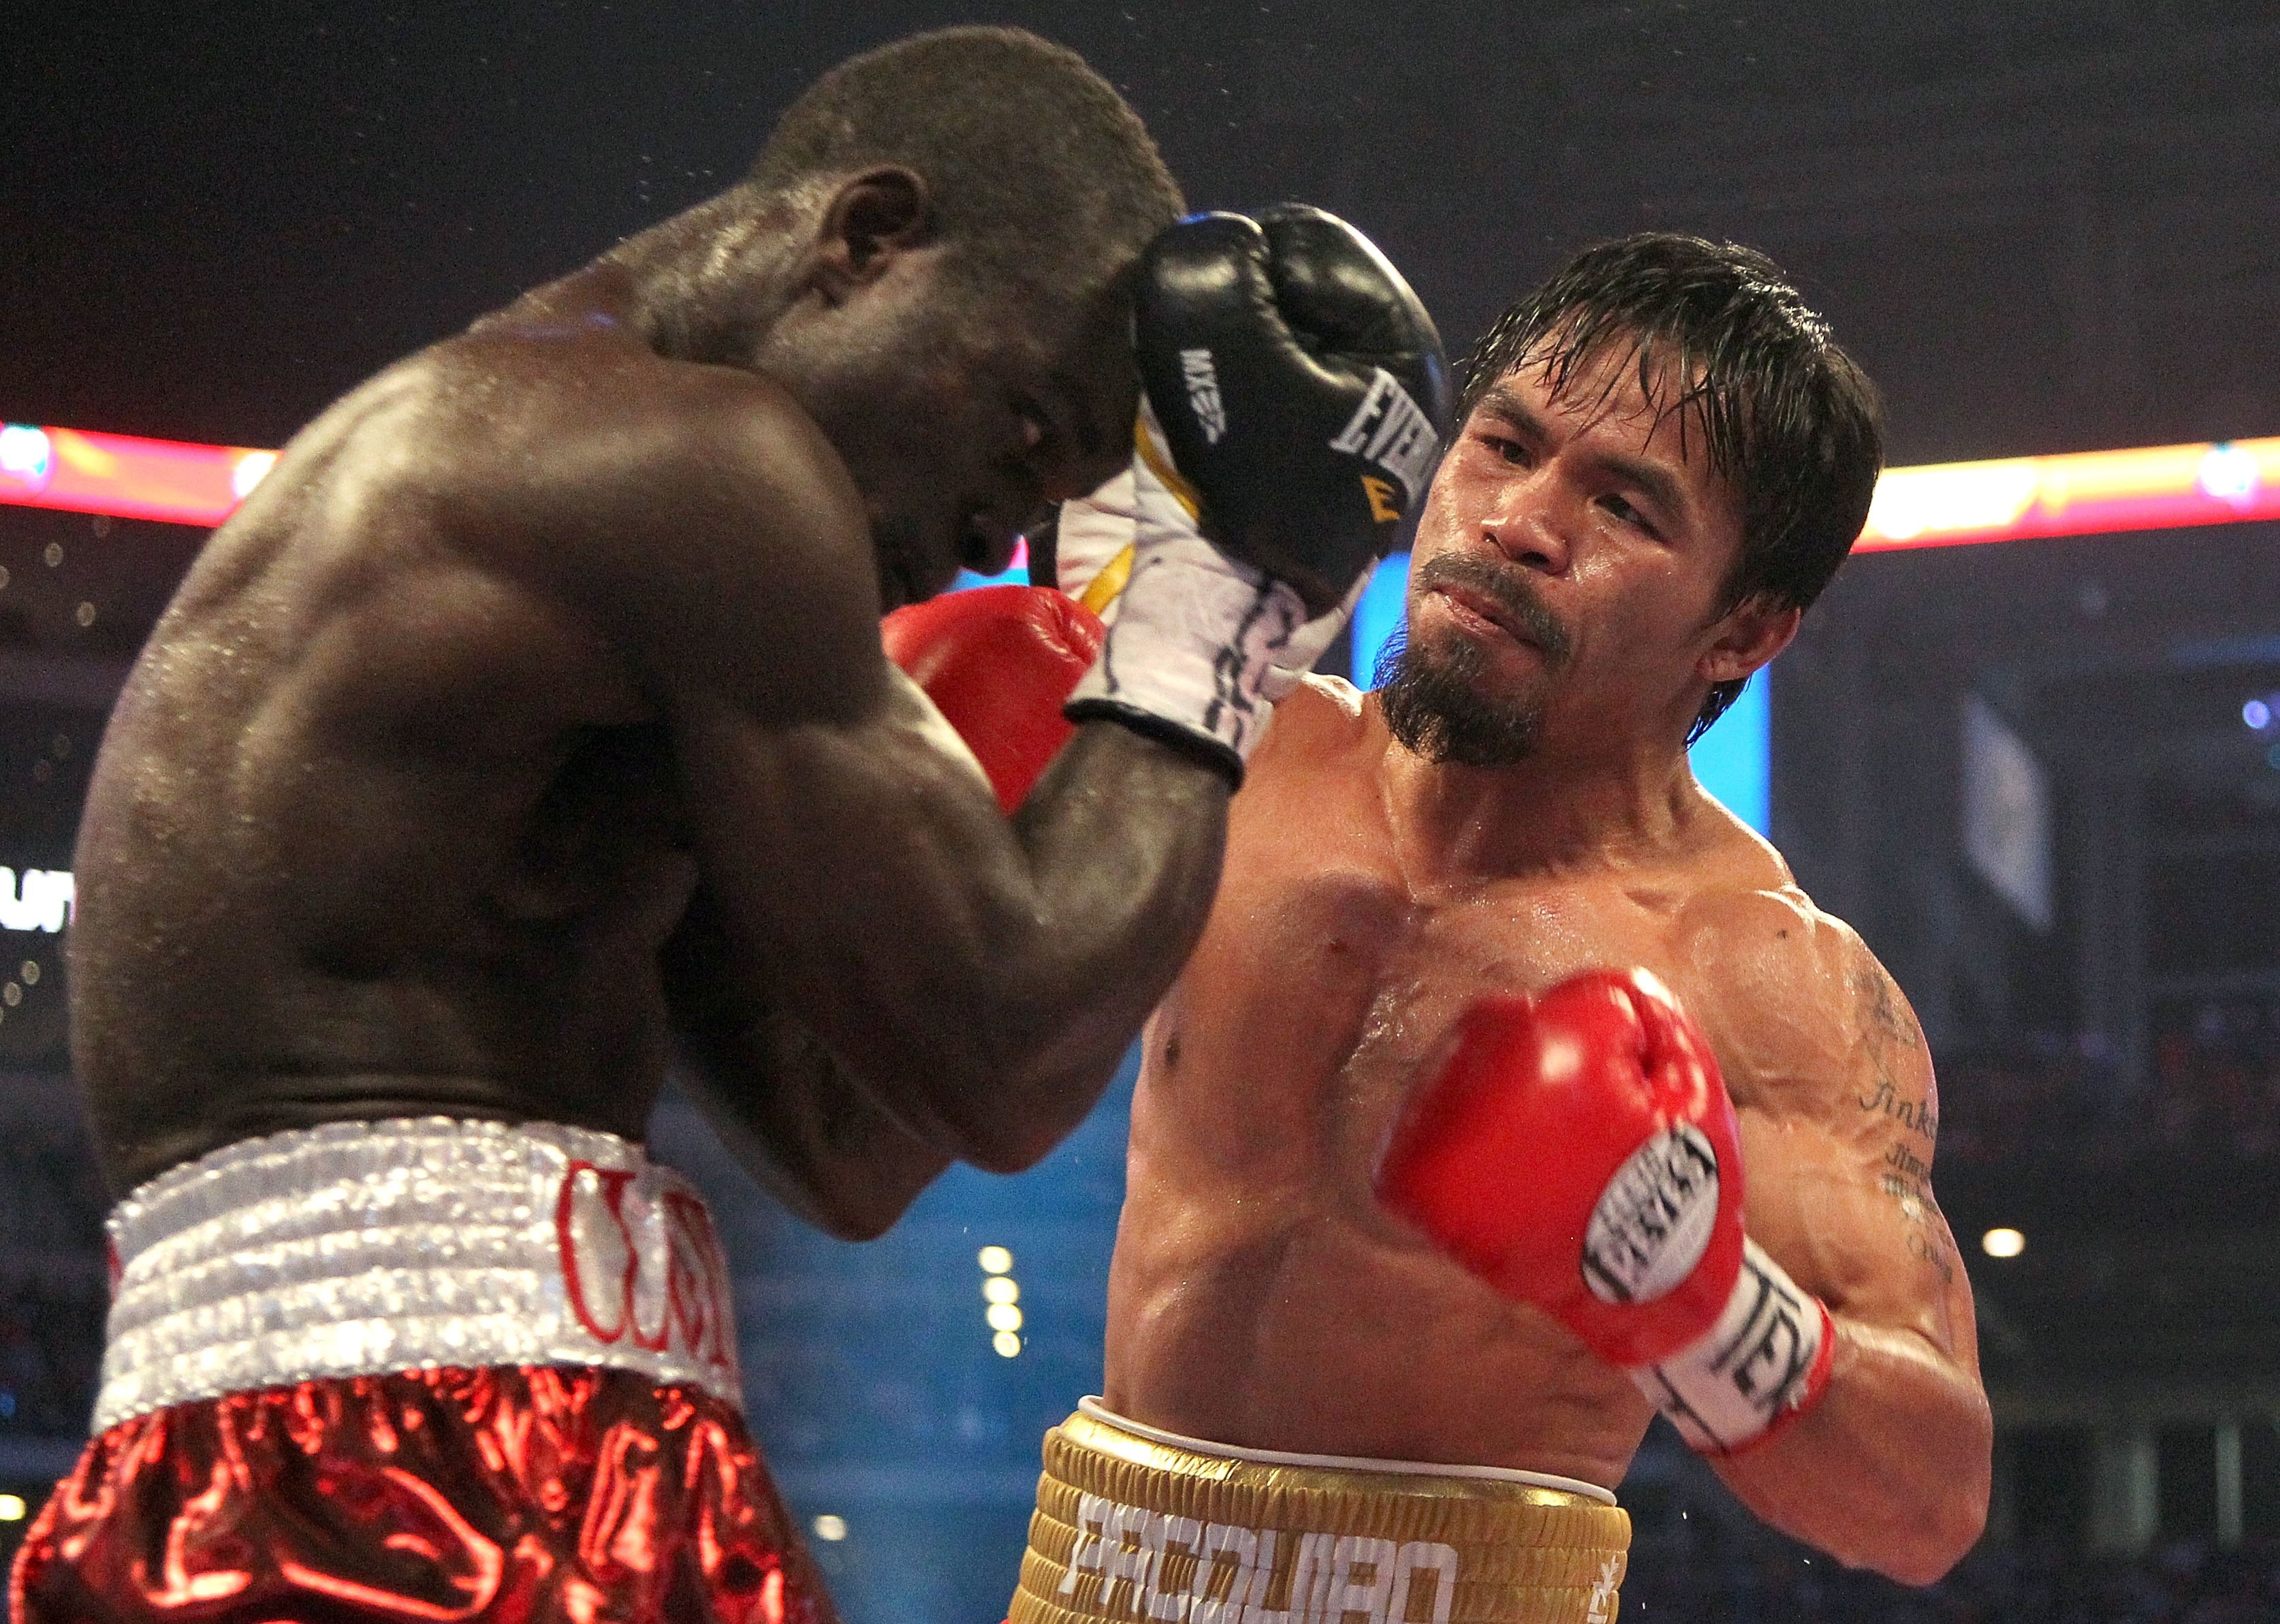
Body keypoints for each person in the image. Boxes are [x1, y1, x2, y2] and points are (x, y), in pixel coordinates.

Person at [12, 27, 1448, 1624]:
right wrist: (1227, 608)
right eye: (1033, 416)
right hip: (441, 1464)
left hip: (312, 1449)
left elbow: (849, 1139)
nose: (1011, 512)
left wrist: (1067, 786)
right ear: (866, 239)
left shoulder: (561, 510)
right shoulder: (697, 463)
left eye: (1068, 480)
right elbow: (1005, 1045)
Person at [1011, 235, 1990, 1624]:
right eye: (1504, 443)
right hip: (1087, 1583)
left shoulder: (1760, 976)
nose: (1520, 521)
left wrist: (1691, 1300)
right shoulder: (1230, 746)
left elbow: (1929, 1498)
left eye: (1626, 508)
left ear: (1745, 631)